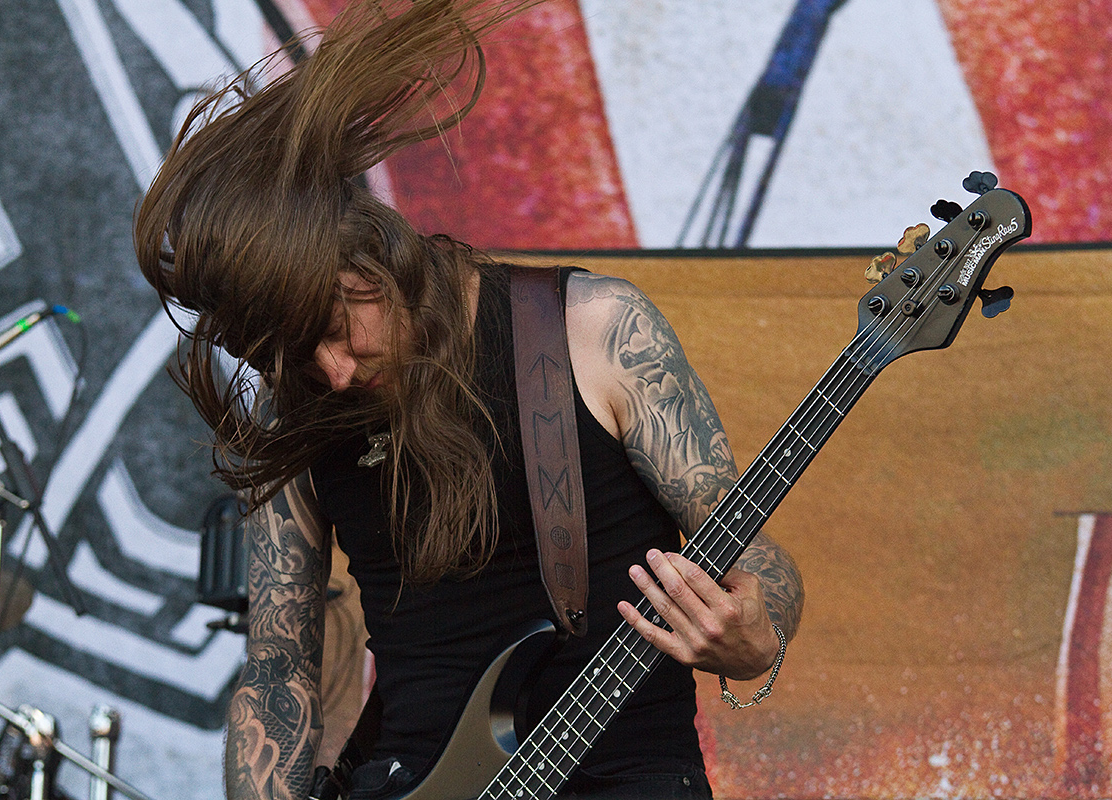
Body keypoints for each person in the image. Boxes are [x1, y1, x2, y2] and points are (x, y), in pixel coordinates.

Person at [134, 2, 804, 798]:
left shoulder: (592, 330)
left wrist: (756, 637)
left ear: (372, 249)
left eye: (337, 327)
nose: (335, 373)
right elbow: (280, 664)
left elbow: (752, 554)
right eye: (297, 357)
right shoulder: (300, 410)